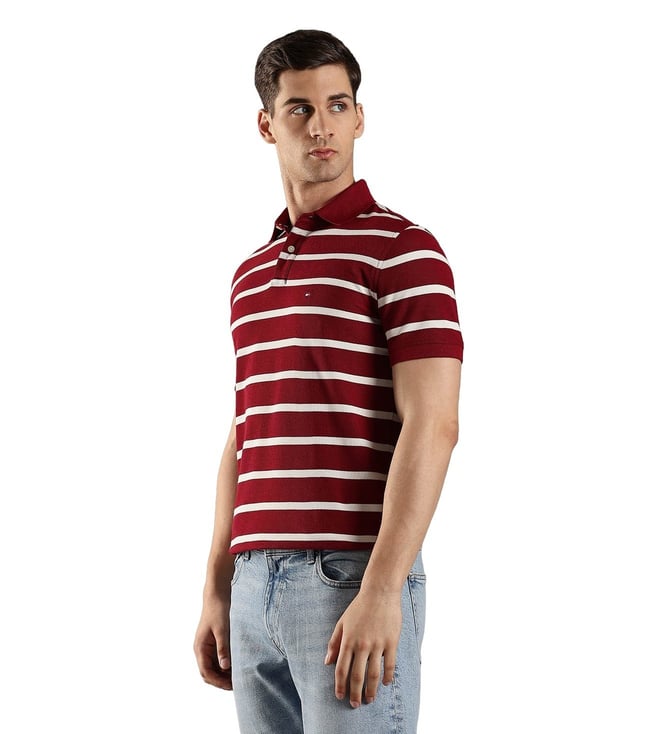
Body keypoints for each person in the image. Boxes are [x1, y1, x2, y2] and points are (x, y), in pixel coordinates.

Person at [194, 28, 463, 733]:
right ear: (266, 124)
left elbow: (435, 424)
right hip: (253, 580)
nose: (322, 126)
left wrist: (383, 588)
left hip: (347, 578)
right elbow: (246, 434)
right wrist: (218, 584)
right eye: (301, 109)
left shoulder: (404, 251)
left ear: (359, 117)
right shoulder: (250, 276)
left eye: (338, 105)